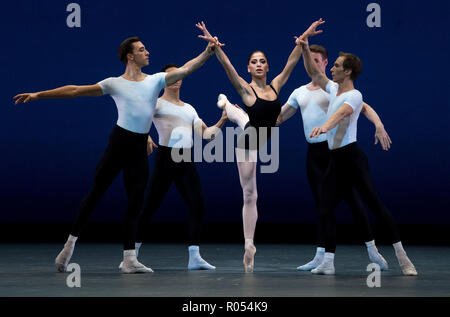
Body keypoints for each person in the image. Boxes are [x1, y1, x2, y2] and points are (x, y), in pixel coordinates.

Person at [14, 33, 217, 274]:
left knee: (136, 200)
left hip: (139, 147)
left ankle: (129, 258)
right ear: (130, 56)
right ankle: (69, 245)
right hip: (119, 142)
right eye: (142, 50)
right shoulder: (114, 83)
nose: (147, 52)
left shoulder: (155, 80)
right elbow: (76, 91)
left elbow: (185, 69)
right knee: (96, 194)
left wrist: (207, 51)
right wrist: (39, 95)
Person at [196, 19, 324, 272]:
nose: (258, 65)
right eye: (253, 62)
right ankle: (249, 245)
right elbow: (228, 68)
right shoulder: (246, 89)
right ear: (249, 68)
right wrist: (215, 46)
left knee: (238, 117)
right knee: (250, 194)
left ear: (267, 66)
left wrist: (304, 39)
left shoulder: (276, 86)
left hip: (258, 136)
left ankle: (226, 107)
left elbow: (291, 62)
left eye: (262, 61)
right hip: (246, 143)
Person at [298, 20, 417, 275]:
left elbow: (341, 114)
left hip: (352, 159)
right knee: (325, 207)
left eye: (337, 66)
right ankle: (328, 262)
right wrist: (305, 47)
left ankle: (402, 257)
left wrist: (325, 127)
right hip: (335, 160)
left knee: (374, 205)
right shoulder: (332, 87)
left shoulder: (354, 95)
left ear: (348, 72)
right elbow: (314, 72)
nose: (332, 69)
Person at [277, 44, 392, 272]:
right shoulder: (299, 92)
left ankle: (372, 249)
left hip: (335, 154)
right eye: (309, 60)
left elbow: (365, 108)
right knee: (322, 206)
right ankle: (322, 256)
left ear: (325, 63)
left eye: (318, 61)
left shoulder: (333, 89)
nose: (313, 65)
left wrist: (378, 124)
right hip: (313, 156)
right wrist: (251, 117)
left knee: (353, 202)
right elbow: (278, 118)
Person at [119, 63, 228, 271]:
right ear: (164, 80)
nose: (177, 78)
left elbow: (206, 135)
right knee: (149, 208)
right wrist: (146, 138)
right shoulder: (156, 104)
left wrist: (223, 119)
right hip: (166, 158)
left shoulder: (189, 109)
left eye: (179, 75)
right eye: (172, 75)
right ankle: (131, 256)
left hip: (186, 159)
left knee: (198, 205)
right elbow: (134, 119)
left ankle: (194, 257)